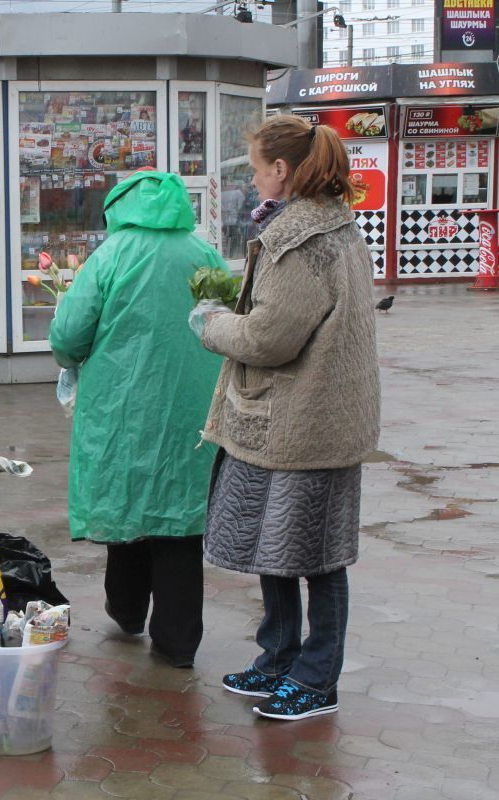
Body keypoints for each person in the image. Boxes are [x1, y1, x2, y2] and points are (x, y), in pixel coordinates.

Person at [196, 116, 380, 721]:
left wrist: (213, 325)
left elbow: (272, 338)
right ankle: (278, 658)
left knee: (317, 557)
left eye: (254, 168)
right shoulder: (331, 225)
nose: (251, 179)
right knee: (277, 546)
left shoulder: (297, 240)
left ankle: (316, 679)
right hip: (296, 421)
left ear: (281, 171)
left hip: (304, 424)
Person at [48, 170, 226, 669]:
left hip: (122, 407)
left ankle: (126, 610)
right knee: (180, 516)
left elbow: (67, 338)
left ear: (119, 207)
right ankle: (178, 640)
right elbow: (229, 319)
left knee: (128, 507)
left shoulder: (110, 256)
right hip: (193, 407)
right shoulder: (205, 254)